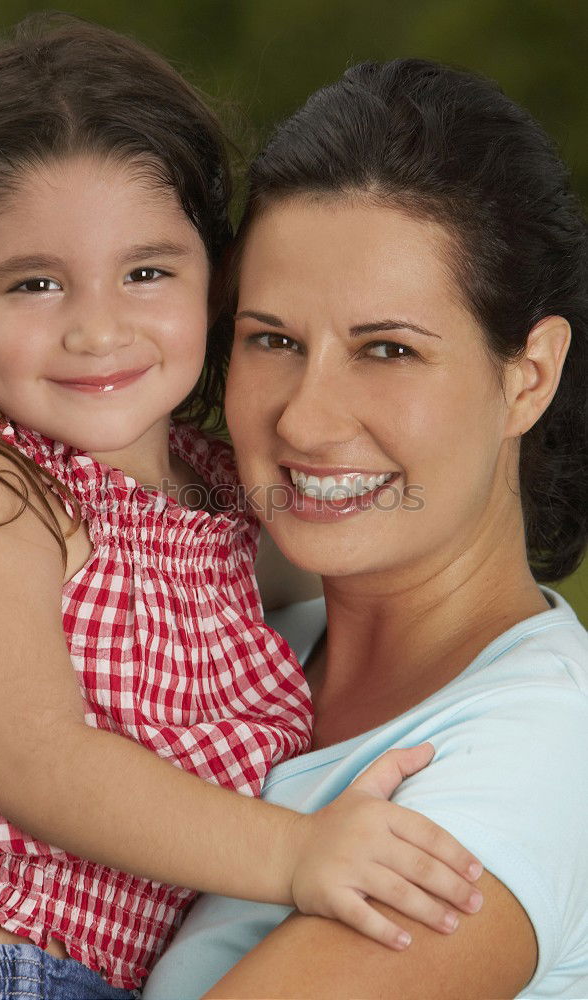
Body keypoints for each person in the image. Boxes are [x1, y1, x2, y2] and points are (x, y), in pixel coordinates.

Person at [0, 23, 484, 1000]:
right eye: (35, 284)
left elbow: (381, 564)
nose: (97, 328)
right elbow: (39, 765)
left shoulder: (218, 488)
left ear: (217, 279)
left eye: (147, 272)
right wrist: (298, 856)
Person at [143, 58, 588, 999]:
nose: (305, 421)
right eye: (273, 340)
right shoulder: (237, 649)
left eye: (389, 349)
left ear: (530, 376)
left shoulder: (541, 758)